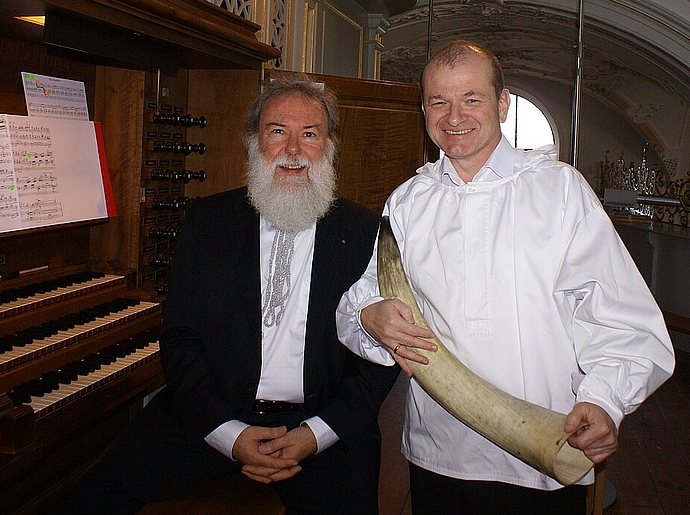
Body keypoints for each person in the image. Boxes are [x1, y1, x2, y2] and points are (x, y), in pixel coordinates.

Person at [336, 40, 676, 515]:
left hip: (547, 451)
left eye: (471, 99)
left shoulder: (560, 191)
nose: (454, 116)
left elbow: (622, 318)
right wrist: (370, 316)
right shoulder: (407, 201)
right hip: (438, 451)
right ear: (424, 109)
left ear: (502, 103)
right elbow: (364, 298)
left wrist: (605, 401)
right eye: (439, 101)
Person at [63, 73, 399, 515]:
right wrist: (228, 433)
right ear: (252, 141)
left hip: (320, 423)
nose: (294, 151)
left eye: (310, 134)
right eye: (277, 132)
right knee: (89, 500)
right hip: (209, 412)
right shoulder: (207, 222)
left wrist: (315, 434)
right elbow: (180, 340)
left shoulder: (366, 234)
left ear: (329, 146)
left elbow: (380, 358)